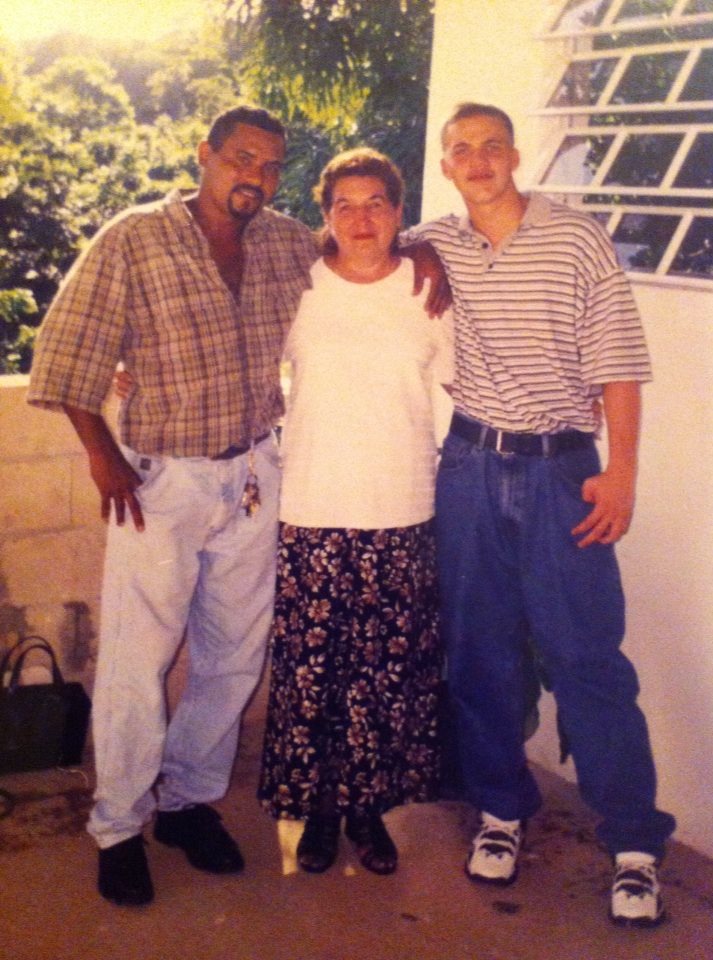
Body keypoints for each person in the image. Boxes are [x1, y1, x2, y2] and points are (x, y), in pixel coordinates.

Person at [27, 104, 448, 907]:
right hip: (164, 483)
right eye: (240, 159)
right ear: (206, 155)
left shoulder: (288, 242)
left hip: (258, 474)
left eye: (268, 166)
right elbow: (67, 350)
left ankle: (185, 803)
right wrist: (102, 454)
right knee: (137, 659)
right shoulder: (134, 238)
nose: (253, 176)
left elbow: (362, 243)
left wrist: (424, 249)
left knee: (233, 658)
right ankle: (118, 825)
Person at [402, 103, 676, 927]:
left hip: (563, 473)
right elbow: (353, 247)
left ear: (515, 156)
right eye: (462, 151)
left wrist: (621, 471)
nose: (478, 160)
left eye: (491, 146)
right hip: (469, 469)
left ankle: (632, 845)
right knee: (479, 653)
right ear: (446, 168)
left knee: (586, 658)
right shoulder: (437, 241)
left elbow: (620, 365)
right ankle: (500, 812)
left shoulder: (575, 237)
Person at [258, 148, 454, 876]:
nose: (361, 217)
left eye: (376, 202)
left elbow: (472, 381)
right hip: (311, 503)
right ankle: (319, 812)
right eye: (345, 203)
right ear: (326, 214)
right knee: (313, 669)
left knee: (382, 672)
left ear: (400, 214)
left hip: (401, 508)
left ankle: (369, 813)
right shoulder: (297, 286)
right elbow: (236, 352)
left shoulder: (428, 291)